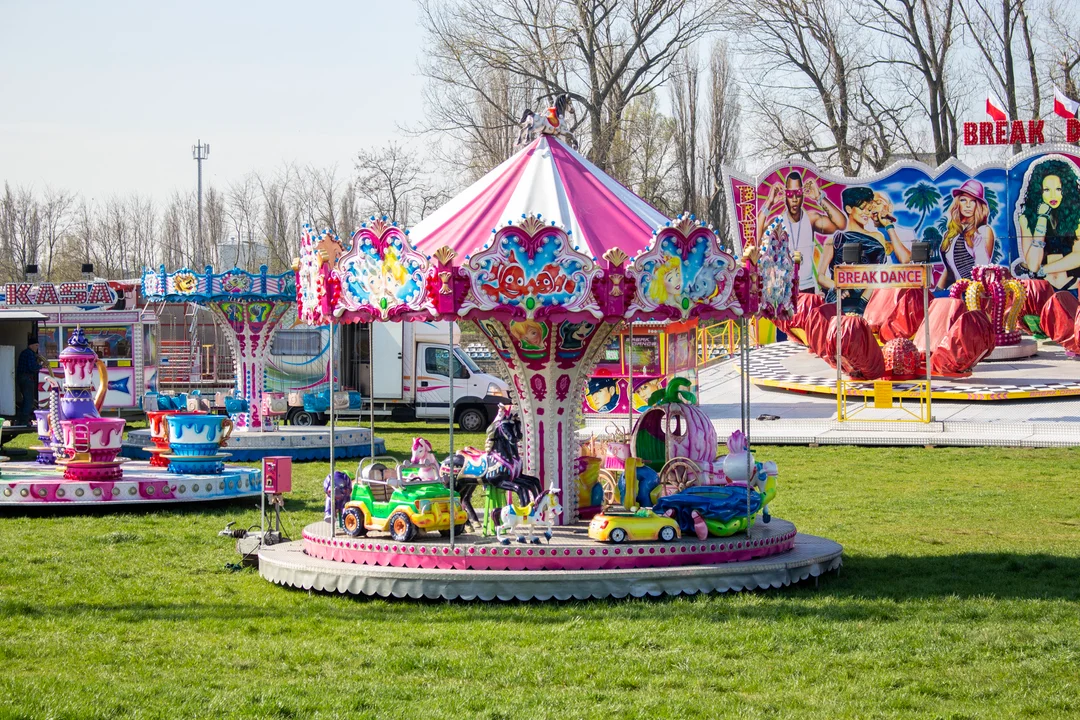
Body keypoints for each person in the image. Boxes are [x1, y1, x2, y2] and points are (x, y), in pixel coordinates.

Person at [816, 186, 911, 313]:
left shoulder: (877, 237)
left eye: (869, 209)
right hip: (841, 302)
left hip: (870, 304)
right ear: (849, 209)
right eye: (862, 208)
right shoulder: (834, 240)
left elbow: (880, 274)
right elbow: (821, 277)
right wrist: (837, 287)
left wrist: (863, 303)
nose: (867, 213)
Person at [755, 171, 847, 293]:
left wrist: (819, 197)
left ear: (803, 194)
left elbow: (841, 224)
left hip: (808, 287)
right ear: (785, 195)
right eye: (790, 193)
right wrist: (769, 202)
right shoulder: (777, 223)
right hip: (785, 289)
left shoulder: (811, 219)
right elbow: (757, 242)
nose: (794, 199)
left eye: (798, 193)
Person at [1017, 157, 1080, 290]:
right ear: (1039, 191)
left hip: (1072, 286)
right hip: (1043, 289)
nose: (1053, 195)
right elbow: (1033, 264)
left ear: (1066, 190)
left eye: (1058, 189)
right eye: (1047, 190)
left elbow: (1078, 256)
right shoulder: (1026, 219)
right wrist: (1042, 218)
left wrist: (1043, 270)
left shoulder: (1076, 217)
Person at [937, 179, 996, 289]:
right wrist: (937, 293)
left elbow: (981, 271)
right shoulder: (950, 234)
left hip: (973, 295)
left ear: (978, 205)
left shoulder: (982, 231)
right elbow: (949, 270)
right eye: (963, 200)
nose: (968, 205)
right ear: (957, 203)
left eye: (973, 201)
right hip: (956, 294)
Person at [16, 336, 42, 426]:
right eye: (36, 345)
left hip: (21, 378)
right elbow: (32, 367)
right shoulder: (30, 354)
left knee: (25, 399)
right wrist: (41, 365)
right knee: (29, 400)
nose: (37, 347)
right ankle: (24, 421)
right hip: (27, 378)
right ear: (31, 346)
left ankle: (19, 419)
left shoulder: (24, 353)